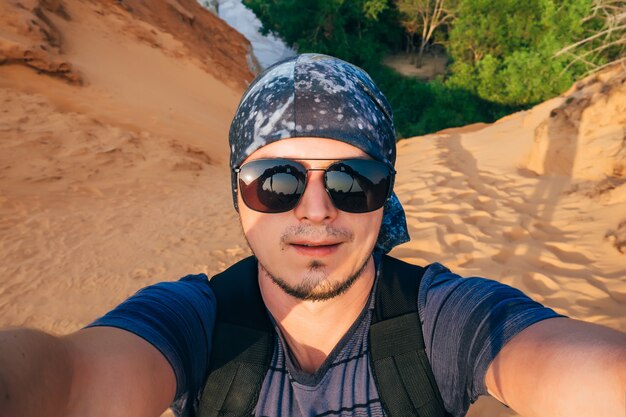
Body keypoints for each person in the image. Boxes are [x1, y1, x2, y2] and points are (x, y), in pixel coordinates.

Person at [1, 54, 625, 417]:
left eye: (354, 181)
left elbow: (568, 366)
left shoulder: (444, 320)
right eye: (277, 182)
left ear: (389, 194)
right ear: (237, 195)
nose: (319, 210)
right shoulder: (192, 321)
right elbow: (69, 383)